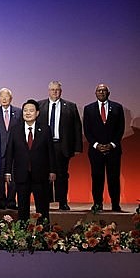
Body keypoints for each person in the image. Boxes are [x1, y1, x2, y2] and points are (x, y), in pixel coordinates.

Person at [4, 100, 56, 223]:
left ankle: (43, 233)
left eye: (31, 110)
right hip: (22, 175)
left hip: (40, 175)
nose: (28, 113)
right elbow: (9, 152)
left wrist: (52, 170)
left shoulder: (45, 129)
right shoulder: (15, 129)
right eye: (25, 110)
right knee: (22, 208)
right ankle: (23, 234)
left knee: (42, 208)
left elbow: (50, 152)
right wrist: (7, 171)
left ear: (37, 113)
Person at [37, 81, 83, 210]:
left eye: (57, 90)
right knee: (43, 175)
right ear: (48, 91)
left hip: (61, 146)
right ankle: (46, 201)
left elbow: (77, 127)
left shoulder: (70, 106)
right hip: (43, 146)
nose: (55, 92)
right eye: (52, 89)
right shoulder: (40, 105)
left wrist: (77, 147)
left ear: (61, 91)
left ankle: (62, 202)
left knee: (62, 175)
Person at [83, 83, 125, 212]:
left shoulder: (117, 107)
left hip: (113, 150)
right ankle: (97, 204)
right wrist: (96, 145)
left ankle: (115, 204)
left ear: (108, 93)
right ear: (95, 93)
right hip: (96, 151)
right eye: (99, 90)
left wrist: (112, 144)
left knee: (114, 178)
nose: (101, 92)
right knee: (97, 178)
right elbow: (87, 130)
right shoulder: (88, 109)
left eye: (104, 90)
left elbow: (120, 128)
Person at [0, 88, 21, 210]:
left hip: (14, 151)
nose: (4, 99)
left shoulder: (18, 112)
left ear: (11, 98)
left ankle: (12, 201)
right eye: (2, 96)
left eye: (6, 96)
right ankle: (0, 202)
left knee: (13, 177)